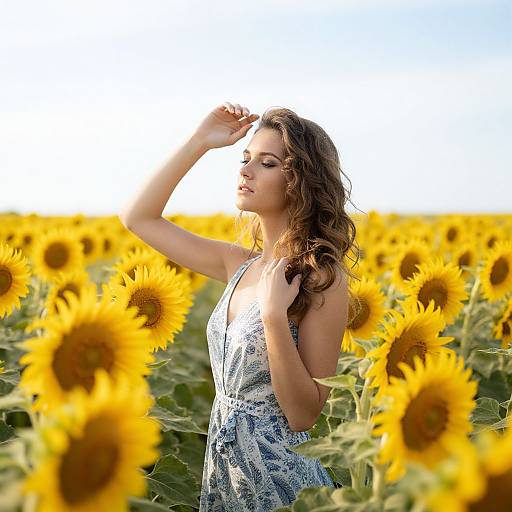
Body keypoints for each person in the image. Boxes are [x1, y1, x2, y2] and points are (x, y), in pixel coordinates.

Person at [119, 101, 359, 511]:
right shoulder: (238, 264)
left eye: (267, 163)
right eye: (244, 159)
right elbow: (137, 217)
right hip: (224, 475)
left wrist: (273, 318)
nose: (245, 170)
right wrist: (200, 141)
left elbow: (303, 415)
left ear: (300, 181)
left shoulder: (321, 278)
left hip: (281, 485)